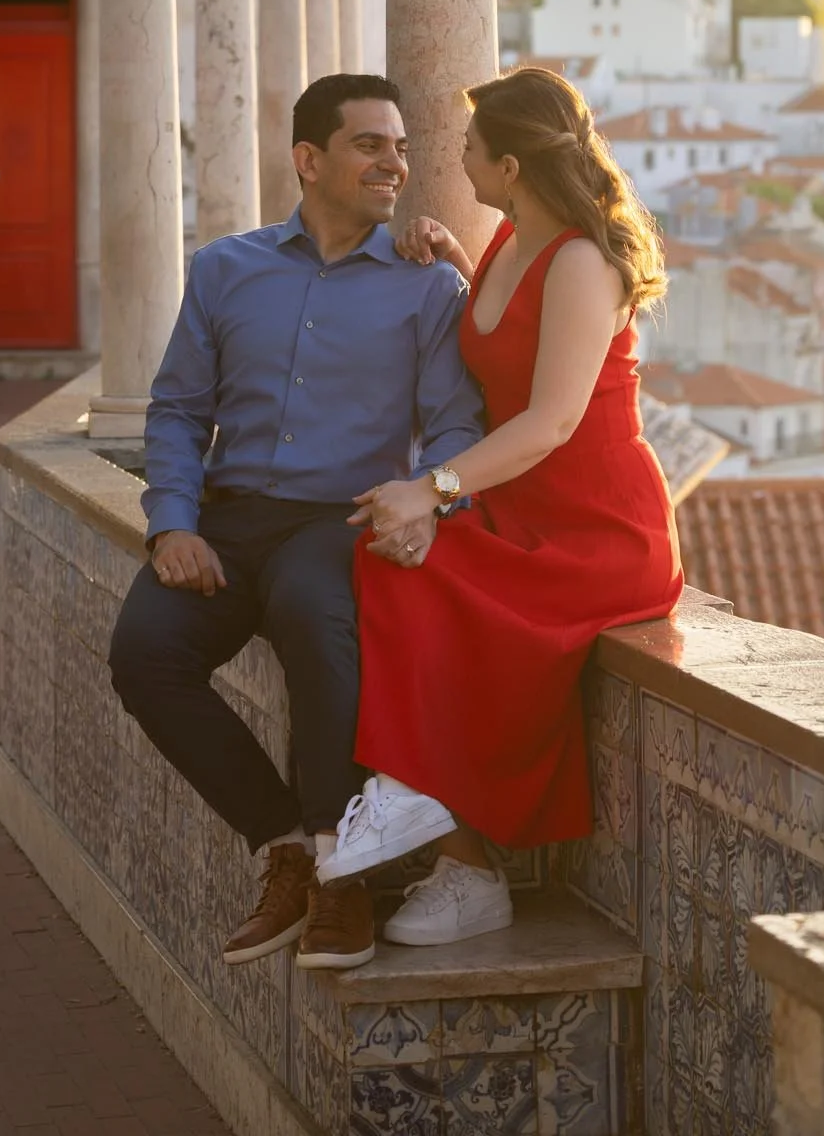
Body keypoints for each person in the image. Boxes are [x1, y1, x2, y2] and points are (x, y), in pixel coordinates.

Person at [107, 74, 484, 973]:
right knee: (144, 655)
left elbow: (459, 425)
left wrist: (435, 499)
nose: (394, 163)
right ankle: (284, 846)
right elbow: (175, 411)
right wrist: (171, 524)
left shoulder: (425, 287)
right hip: (230, 518)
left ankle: (341, 876)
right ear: (309, 160)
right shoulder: (225, 268)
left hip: (342, 519)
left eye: (400, 146)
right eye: (370, 145)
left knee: (320, 624)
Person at [316, 66, 683, 946]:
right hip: (524, 512)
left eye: (472, 149)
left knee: (411, 570)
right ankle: (460, 856)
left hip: (595, 530)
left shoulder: (586, 261)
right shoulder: (511, 245)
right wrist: (450, 258)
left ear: (513, 165)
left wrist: (432, 488)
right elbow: (511, 340)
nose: (458, 161)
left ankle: (428, 814)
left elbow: (554, 419)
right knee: (385, 562)